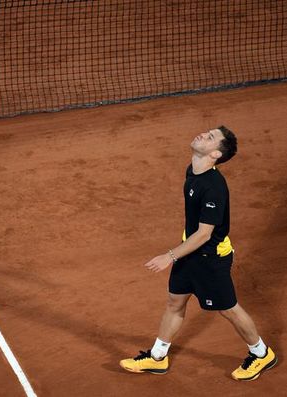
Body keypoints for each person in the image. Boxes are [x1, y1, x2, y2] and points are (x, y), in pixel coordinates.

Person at [119, 126, 277, 381]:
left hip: (209, 258)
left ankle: (261, 354)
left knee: (229, 309)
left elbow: (204, 234)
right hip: (189, 252)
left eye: (210, 137)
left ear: (215, 153)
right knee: (175, 301)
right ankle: (158, 357)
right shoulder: (192, 170)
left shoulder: (213, 187)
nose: (203, 135)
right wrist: (179, 254)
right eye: (207, 132)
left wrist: (169, 256)